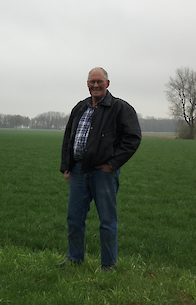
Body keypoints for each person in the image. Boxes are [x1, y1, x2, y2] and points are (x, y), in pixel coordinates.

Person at [58, 67, 141, 272]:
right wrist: (66, 168)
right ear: (87, 84)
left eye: (99, 81)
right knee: (74, 218)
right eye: (91, 82)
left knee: (107, 220)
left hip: (103, 173)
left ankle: (108, 265)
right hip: (78, 171)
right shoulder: (80, 107)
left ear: (107, 83)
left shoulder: (120, 108)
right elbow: (69, 138)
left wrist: (112, 165)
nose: (95, 85)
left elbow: (132, 139)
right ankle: (75, 258)